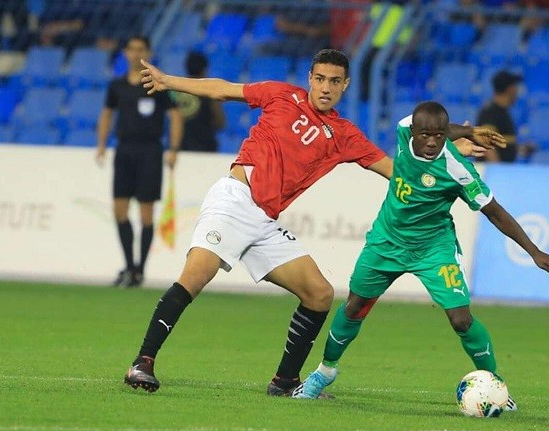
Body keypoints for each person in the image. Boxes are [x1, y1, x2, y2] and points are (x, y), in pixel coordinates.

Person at [124, 49, 506, 395]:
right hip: (235, 199)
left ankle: (285, 382)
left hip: (265, 220)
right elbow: (223, 90)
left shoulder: (344, 135)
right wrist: (168, 80)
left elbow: (398, 172)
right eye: (320, 79)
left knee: (319, 294)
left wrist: (445, 153)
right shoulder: (279, 95)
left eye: (334, 81)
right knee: (195, 277)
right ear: (310, 78)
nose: (326, 87)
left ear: (345, 85)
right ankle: (143, 362)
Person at [292, 101, 549, 406]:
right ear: (413, 132)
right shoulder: (403, 131)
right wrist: (466, 131)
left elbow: (495, 212)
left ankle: (495, 387)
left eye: (439, 136)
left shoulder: (458, 170)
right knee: (354, 306)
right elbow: (433, 127)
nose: (431, 142)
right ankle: (324, 373)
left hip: (433, 248)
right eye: (425, 135)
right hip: (386, 241)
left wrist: (534, 251)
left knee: (461, 319)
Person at [95, 35, 184, 288]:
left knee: (146, 213)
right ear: (125, 52)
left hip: (150, 151)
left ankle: (140, 270)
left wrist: (173, 148)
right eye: (132, 49)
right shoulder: (117, 86)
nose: (136, 54)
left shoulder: (156, 84)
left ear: (149, 53)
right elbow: (107, 114)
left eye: (141, 49)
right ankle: (129, 266)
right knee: (119, 210)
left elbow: (175, 116)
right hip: (124, 150)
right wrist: (101, 144)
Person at [170, 51, 226, 152]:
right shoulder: (209, 91)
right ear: (204, 70)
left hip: (180, 148)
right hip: (205, 148)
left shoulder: (176, 92)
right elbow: (220, 123)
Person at [476, 70, 535, 163]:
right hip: (490, 170)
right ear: (510, 89)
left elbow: (505, 145)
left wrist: (522, 149)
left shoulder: (504, 113)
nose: (517, 92)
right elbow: (486, 144)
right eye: (515, 87)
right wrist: (497, 169)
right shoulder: (490, 112)